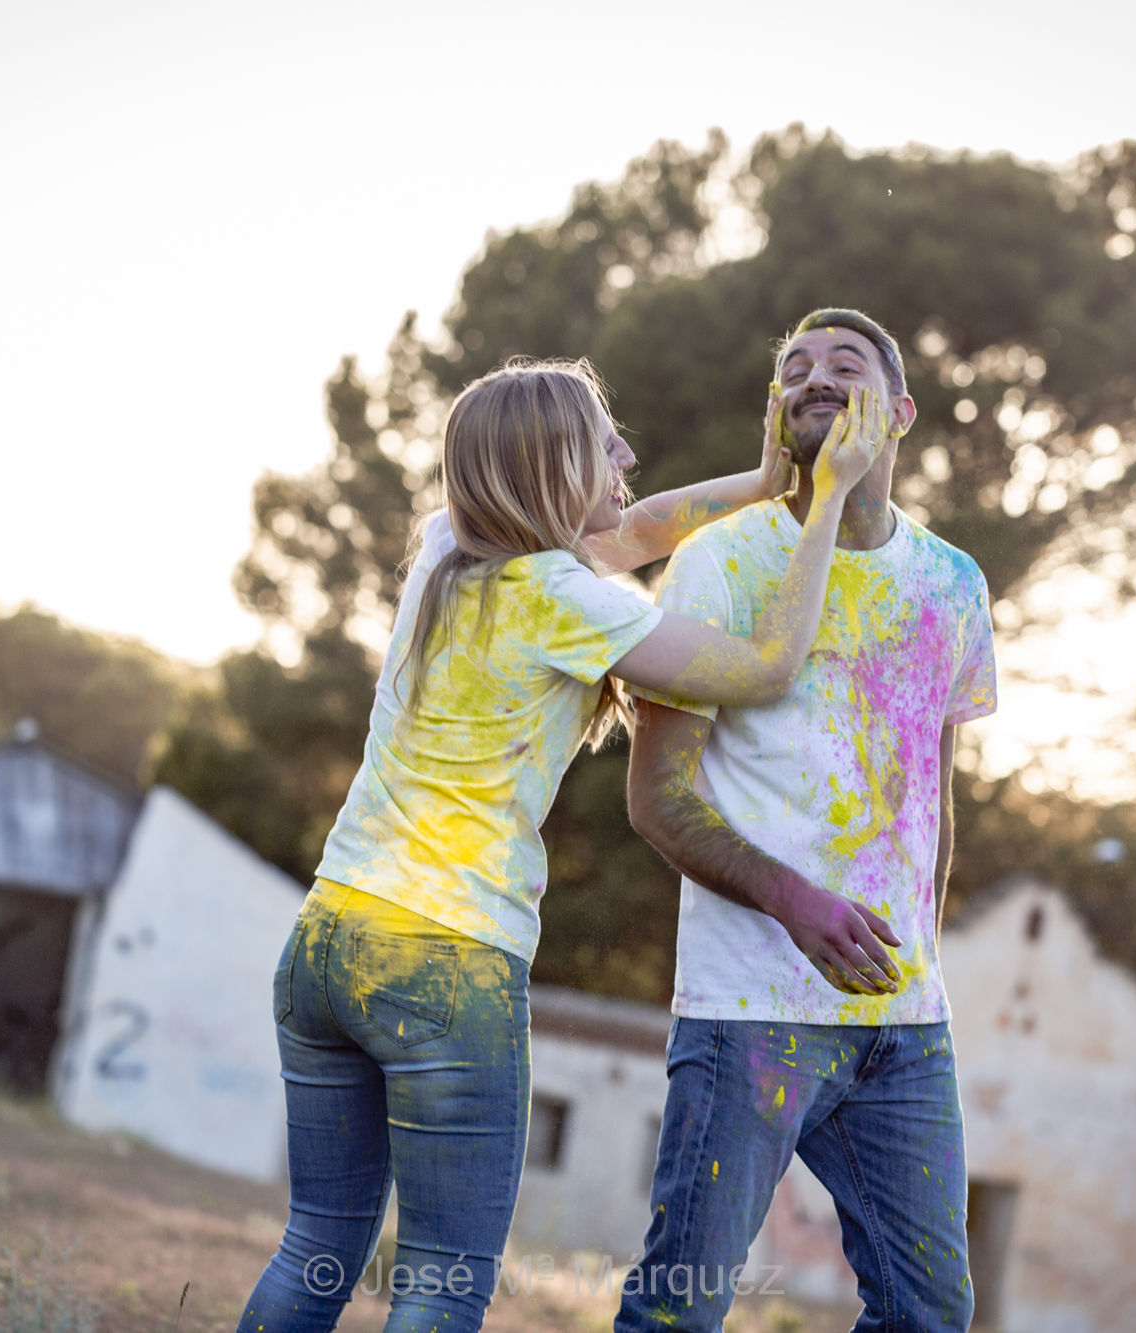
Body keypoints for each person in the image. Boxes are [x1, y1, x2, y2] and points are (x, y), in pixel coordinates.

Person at [237, 356, 885, 1333]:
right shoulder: (565, 600)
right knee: (441, 1282)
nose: (625, 451)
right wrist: (825, 500)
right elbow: (761, 669)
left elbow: (622, 532)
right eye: (603, 440)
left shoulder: (441, 549)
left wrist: (758, 486)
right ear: (552, 466)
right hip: (445, 958)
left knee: (315, 1245)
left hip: (329, 936)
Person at [615, 309, 998, 1333]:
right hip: (747, 1010)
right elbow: (654, 797)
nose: (812, 376)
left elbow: (934, 795)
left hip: (902, 1026)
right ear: (775, 413)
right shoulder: (718, 562)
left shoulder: (954, 584)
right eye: (792, 367)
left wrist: (916, 947)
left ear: (900, 412)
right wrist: (793, 901)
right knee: (677, 1311)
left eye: (844, 363)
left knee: (929, 1315)